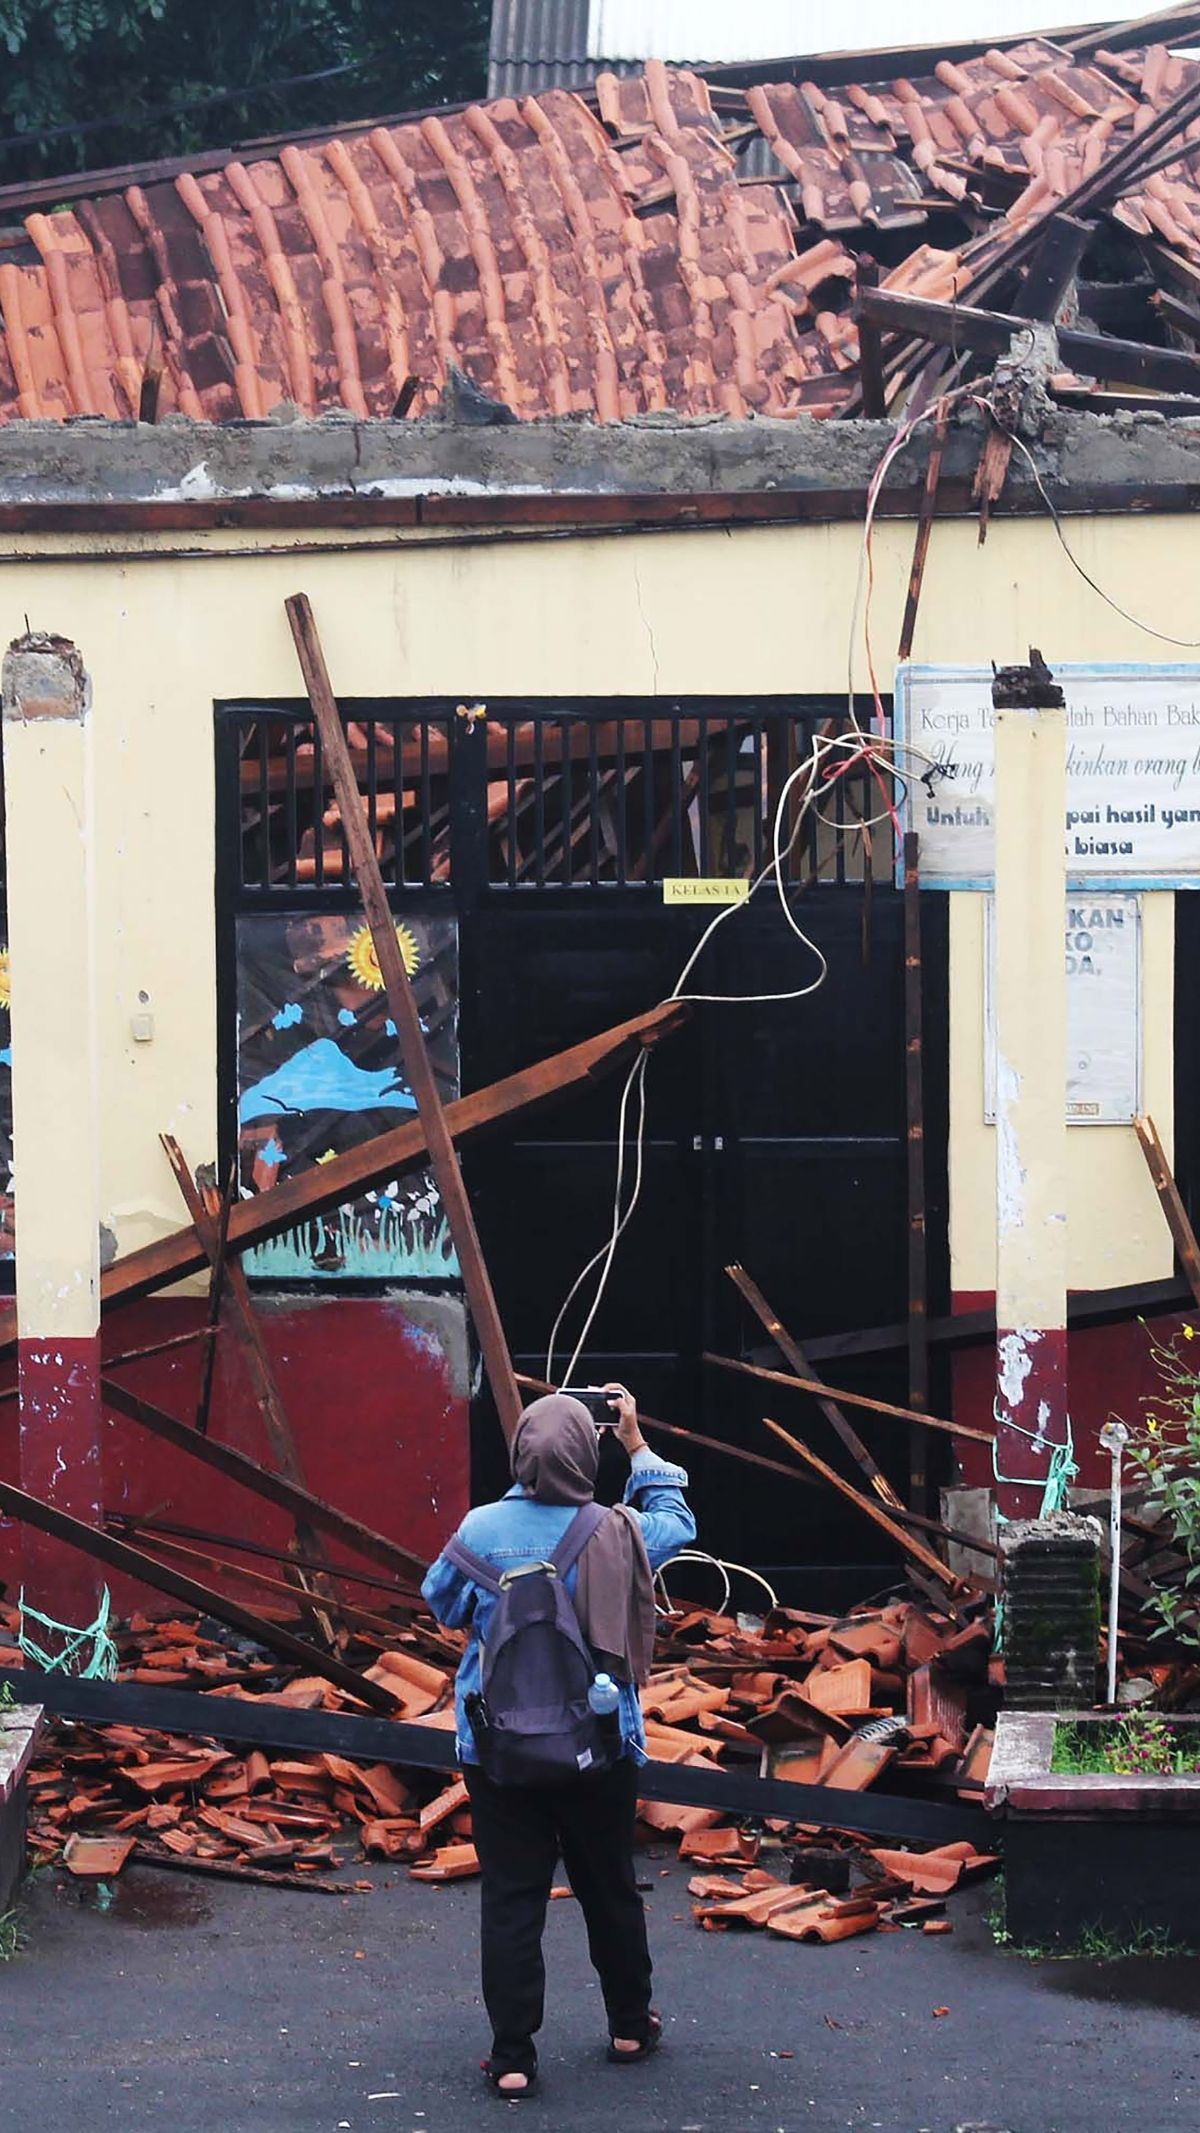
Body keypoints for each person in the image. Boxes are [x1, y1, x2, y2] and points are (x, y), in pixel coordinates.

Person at [422, 1383, 695, 2097]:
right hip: (599, 1743)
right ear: (585, 1449)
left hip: (500, 1750)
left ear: (520, 1454)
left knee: (513, 1896)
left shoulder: (479, 1529)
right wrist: (634, 1440)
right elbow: (679, 1518)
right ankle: (631, 2024)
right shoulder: (619, 1529)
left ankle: (513, 2057)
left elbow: (441, 1599)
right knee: (609, 1886)